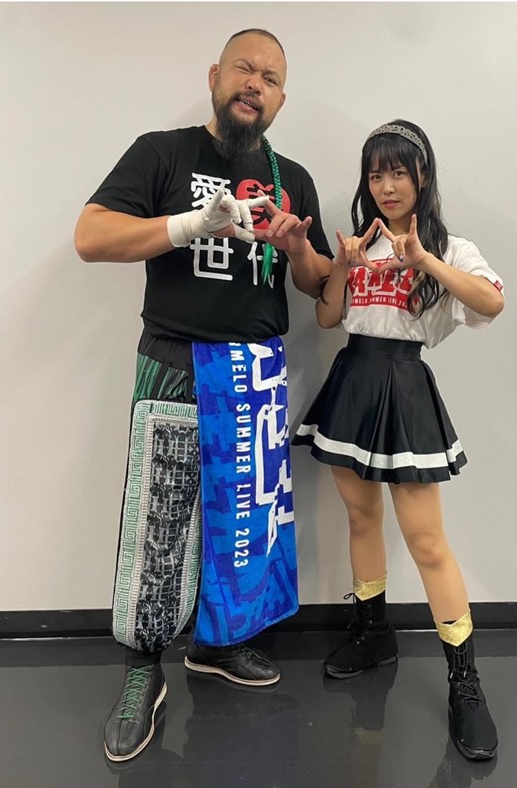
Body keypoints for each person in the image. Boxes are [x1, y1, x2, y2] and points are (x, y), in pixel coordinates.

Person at [74, 28, 333, 762]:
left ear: (281, 99)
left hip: (256, 370)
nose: (256, 84)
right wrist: (195, 222)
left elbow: (318, 280)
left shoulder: (292, 176)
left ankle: (217, 643)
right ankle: (142, 667)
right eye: (245, 69)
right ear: (216, 75)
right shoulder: (162, 153)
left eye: (271, 79)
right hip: (177, 360)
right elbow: (92, 236)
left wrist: (297, 248)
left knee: (243, 523)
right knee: (160, 522)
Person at [292, 120, 504, 761]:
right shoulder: (361, 242)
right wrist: (343, 266)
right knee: (361, 519)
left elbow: (491, 304)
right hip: (352, 380)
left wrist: (426, 261)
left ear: (422, 177)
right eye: (376, 174)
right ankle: (372, 631)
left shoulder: (451, 247)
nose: (386, 186)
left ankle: (465, 683)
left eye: (398, 173)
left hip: (404, 386)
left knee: (427, 542)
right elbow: (328, 316)